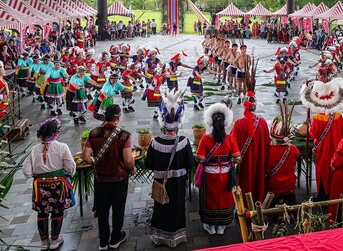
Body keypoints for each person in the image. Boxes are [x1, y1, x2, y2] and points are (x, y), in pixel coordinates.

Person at [144, 90, 195, 246]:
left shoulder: (154, 142)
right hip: (179, 183)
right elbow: (191, 164)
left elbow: (148, 165)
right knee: (177, 207)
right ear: (178, 124)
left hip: (161, 182)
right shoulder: (184, 142)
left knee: (160, 206)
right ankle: (176, 238)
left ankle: (159, 238)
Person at [82, 104, 135, 250]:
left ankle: (103, 241)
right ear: (118, 116)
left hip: (101, 180)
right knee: (118, 209)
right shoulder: (124, 135)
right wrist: (132, 169)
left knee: (103, 211)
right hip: (119, 179)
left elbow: (85, 157)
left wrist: (95, 163)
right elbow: (129, 160)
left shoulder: (93, 133)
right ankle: (115, 238)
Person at [22, 118, 76, 250]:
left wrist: (38, 173)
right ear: (56, 133)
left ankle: (44, 242)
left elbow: (26, 171)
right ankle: (55, 239)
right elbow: (70, 166)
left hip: (40, 186)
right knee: (57, 211)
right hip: (58, 186)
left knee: (42, 213)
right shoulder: (62, 147)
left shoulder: (34, 149)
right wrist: (68, 175)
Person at [301, 78, 343, 201]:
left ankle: (323, 195)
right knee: (334, 170)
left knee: (322, 171)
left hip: (323, 150)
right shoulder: (339, 115)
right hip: (336, 148)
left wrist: (310, 124)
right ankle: (334, 192)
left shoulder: (318, 118)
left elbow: (313, 134)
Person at [197, 102, 241, 235]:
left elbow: (200, 158)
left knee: (210, 199)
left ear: (210, 122)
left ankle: (210, 226)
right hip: (226, 176)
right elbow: (238, 158)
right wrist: (228, 162)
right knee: (224, 199)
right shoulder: (229, 139)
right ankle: (221, 227)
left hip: (209, 176)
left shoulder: (205, 138)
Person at [231, 91, 270, 204]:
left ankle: (244, 210)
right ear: (255, 106)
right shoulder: (262, 123)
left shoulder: (238, 123)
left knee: (244, 184)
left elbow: (232, 143)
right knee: (258, 183)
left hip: (245, 163)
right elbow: (268, 144)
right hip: (259, 162)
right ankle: (258, 207)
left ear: (244, 105)